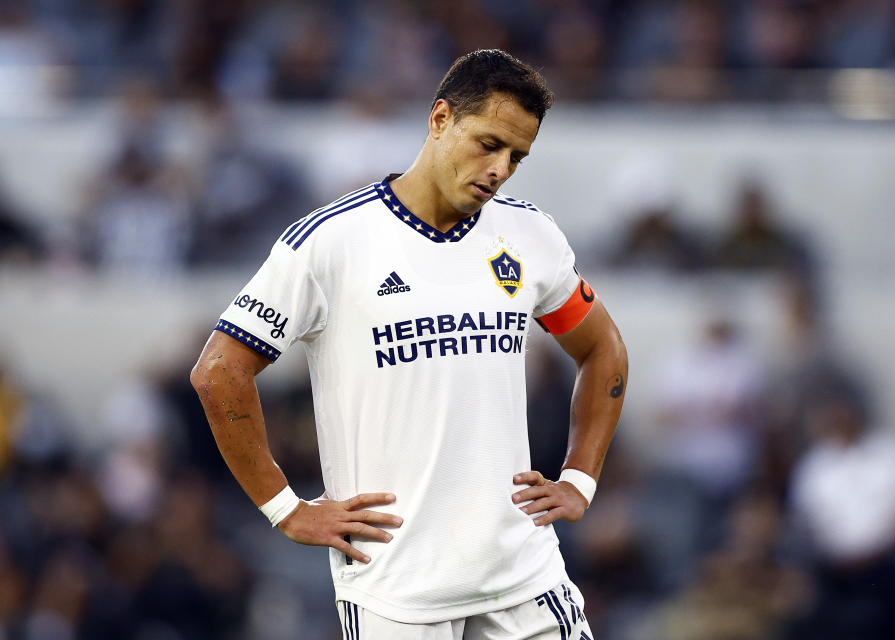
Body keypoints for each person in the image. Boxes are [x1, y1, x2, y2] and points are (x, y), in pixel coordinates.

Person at [190, 49, 628, 640]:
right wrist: (285, 508)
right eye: (489, 143)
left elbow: (603, 350)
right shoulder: (330, 242)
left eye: (517, 157)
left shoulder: (530, 235)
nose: (500, 169)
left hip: (526, 579)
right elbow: (218, 373)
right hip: (396, 591)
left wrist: (579, 479)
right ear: (440, 118)